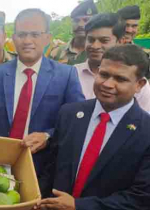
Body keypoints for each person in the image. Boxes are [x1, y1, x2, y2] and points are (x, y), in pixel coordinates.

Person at [35, 44, 150, 210]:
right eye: (104, 74)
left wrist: (79, 206)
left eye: (120, 79)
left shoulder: (145, 132)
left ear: (140, 84)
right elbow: (51, 169)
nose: (108, 84)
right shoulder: (69, 114)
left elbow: (142, 197)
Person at [0, 9, 85, 176]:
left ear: (47, 38)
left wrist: (48, 136)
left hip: (44, 169)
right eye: (21, 34)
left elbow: (76, 123)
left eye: (35, 34)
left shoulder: (65, 75)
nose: (27, 41)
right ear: (13, 37)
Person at [75, 13, 150, 113]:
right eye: (91, 40)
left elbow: (143, 124)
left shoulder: (136, 83)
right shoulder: (71, 74)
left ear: (121, 41)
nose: (95, 46)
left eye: (104, 41)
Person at [49, 0, 97, 65]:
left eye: (86, 20)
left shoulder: (99, 53)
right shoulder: (57, 53)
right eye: (76, 20)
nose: (80, 24)